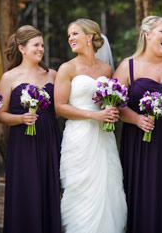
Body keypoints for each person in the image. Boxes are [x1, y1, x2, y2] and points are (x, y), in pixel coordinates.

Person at [113, 16, 162, 232]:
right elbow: (114, 104)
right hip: (142, 141)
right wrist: (136, 118)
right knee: (148, 191)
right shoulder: (128, 66)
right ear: (147, 34)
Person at [55, 18, 126, 232]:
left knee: (107, 186)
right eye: (69, 35)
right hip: (79, 136)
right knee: (80, 187)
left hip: (104, 137)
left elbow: (111, 100)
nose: (70, 38)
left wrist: (112, 110)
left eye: (75, 33)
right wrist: (94, 115)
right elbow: (59, 107)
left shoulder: (106, 69)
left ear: (90, 36)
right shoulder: (67, 68)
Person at [0, 25, 61, 232]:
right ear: (22, 48)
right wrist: (21, 118)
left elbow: (60, 107)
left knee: (49, 187)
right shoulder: (9, 77)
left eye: (42, 45)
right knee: (26, 189)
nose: (41, 49)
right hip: (23, 141)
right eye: (36, 45)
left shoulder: (53, 75)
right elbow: (1, 114)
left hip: (50, 138)